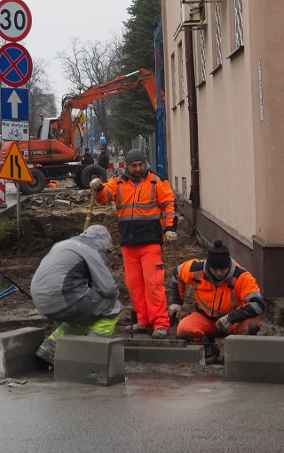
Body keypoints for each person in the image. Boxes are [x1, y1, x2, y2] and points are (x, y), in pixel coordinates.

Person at [90, 148, 177, 339]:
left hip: (151, 241)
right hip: (129, 242)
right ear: (127, 166)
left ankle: (160, 323)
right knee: (135, 285)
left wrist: (171, 228)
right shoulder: (118, 183)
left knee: (153, 284)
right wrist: (98, 188)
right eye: (134, 165)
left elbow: (169, 205)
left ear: (145, 164)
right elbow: (104, 198)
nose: (138, 169)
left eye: (141, 165)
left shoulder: (157, 181)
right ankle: (144, 320)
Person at [31, 224, 123, 366]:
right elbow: (110, 288)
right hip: (63, 296)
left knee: (87, 312)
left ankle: (51, 347)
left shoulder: (64, 244)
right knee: (113, 307)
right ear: (103, 242)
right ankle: (90, 355)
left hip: (40, 299)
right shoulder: (92, 248)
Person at [168, 240, 266, 342]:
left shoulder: (241, 277)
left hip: (233, 322)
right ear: (208, 265)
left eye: (223, 269)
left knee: (252, 325)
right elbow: (177, 273)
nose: (219, 273)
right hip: (204, 318)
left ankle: (236, 351)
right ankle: (208, 347)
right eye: (215, 269)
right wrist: (176, 302)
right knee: (183, 329)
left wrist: (231, 318)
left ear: (228, 264)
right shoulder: (196, 269)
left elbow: (259, 304)